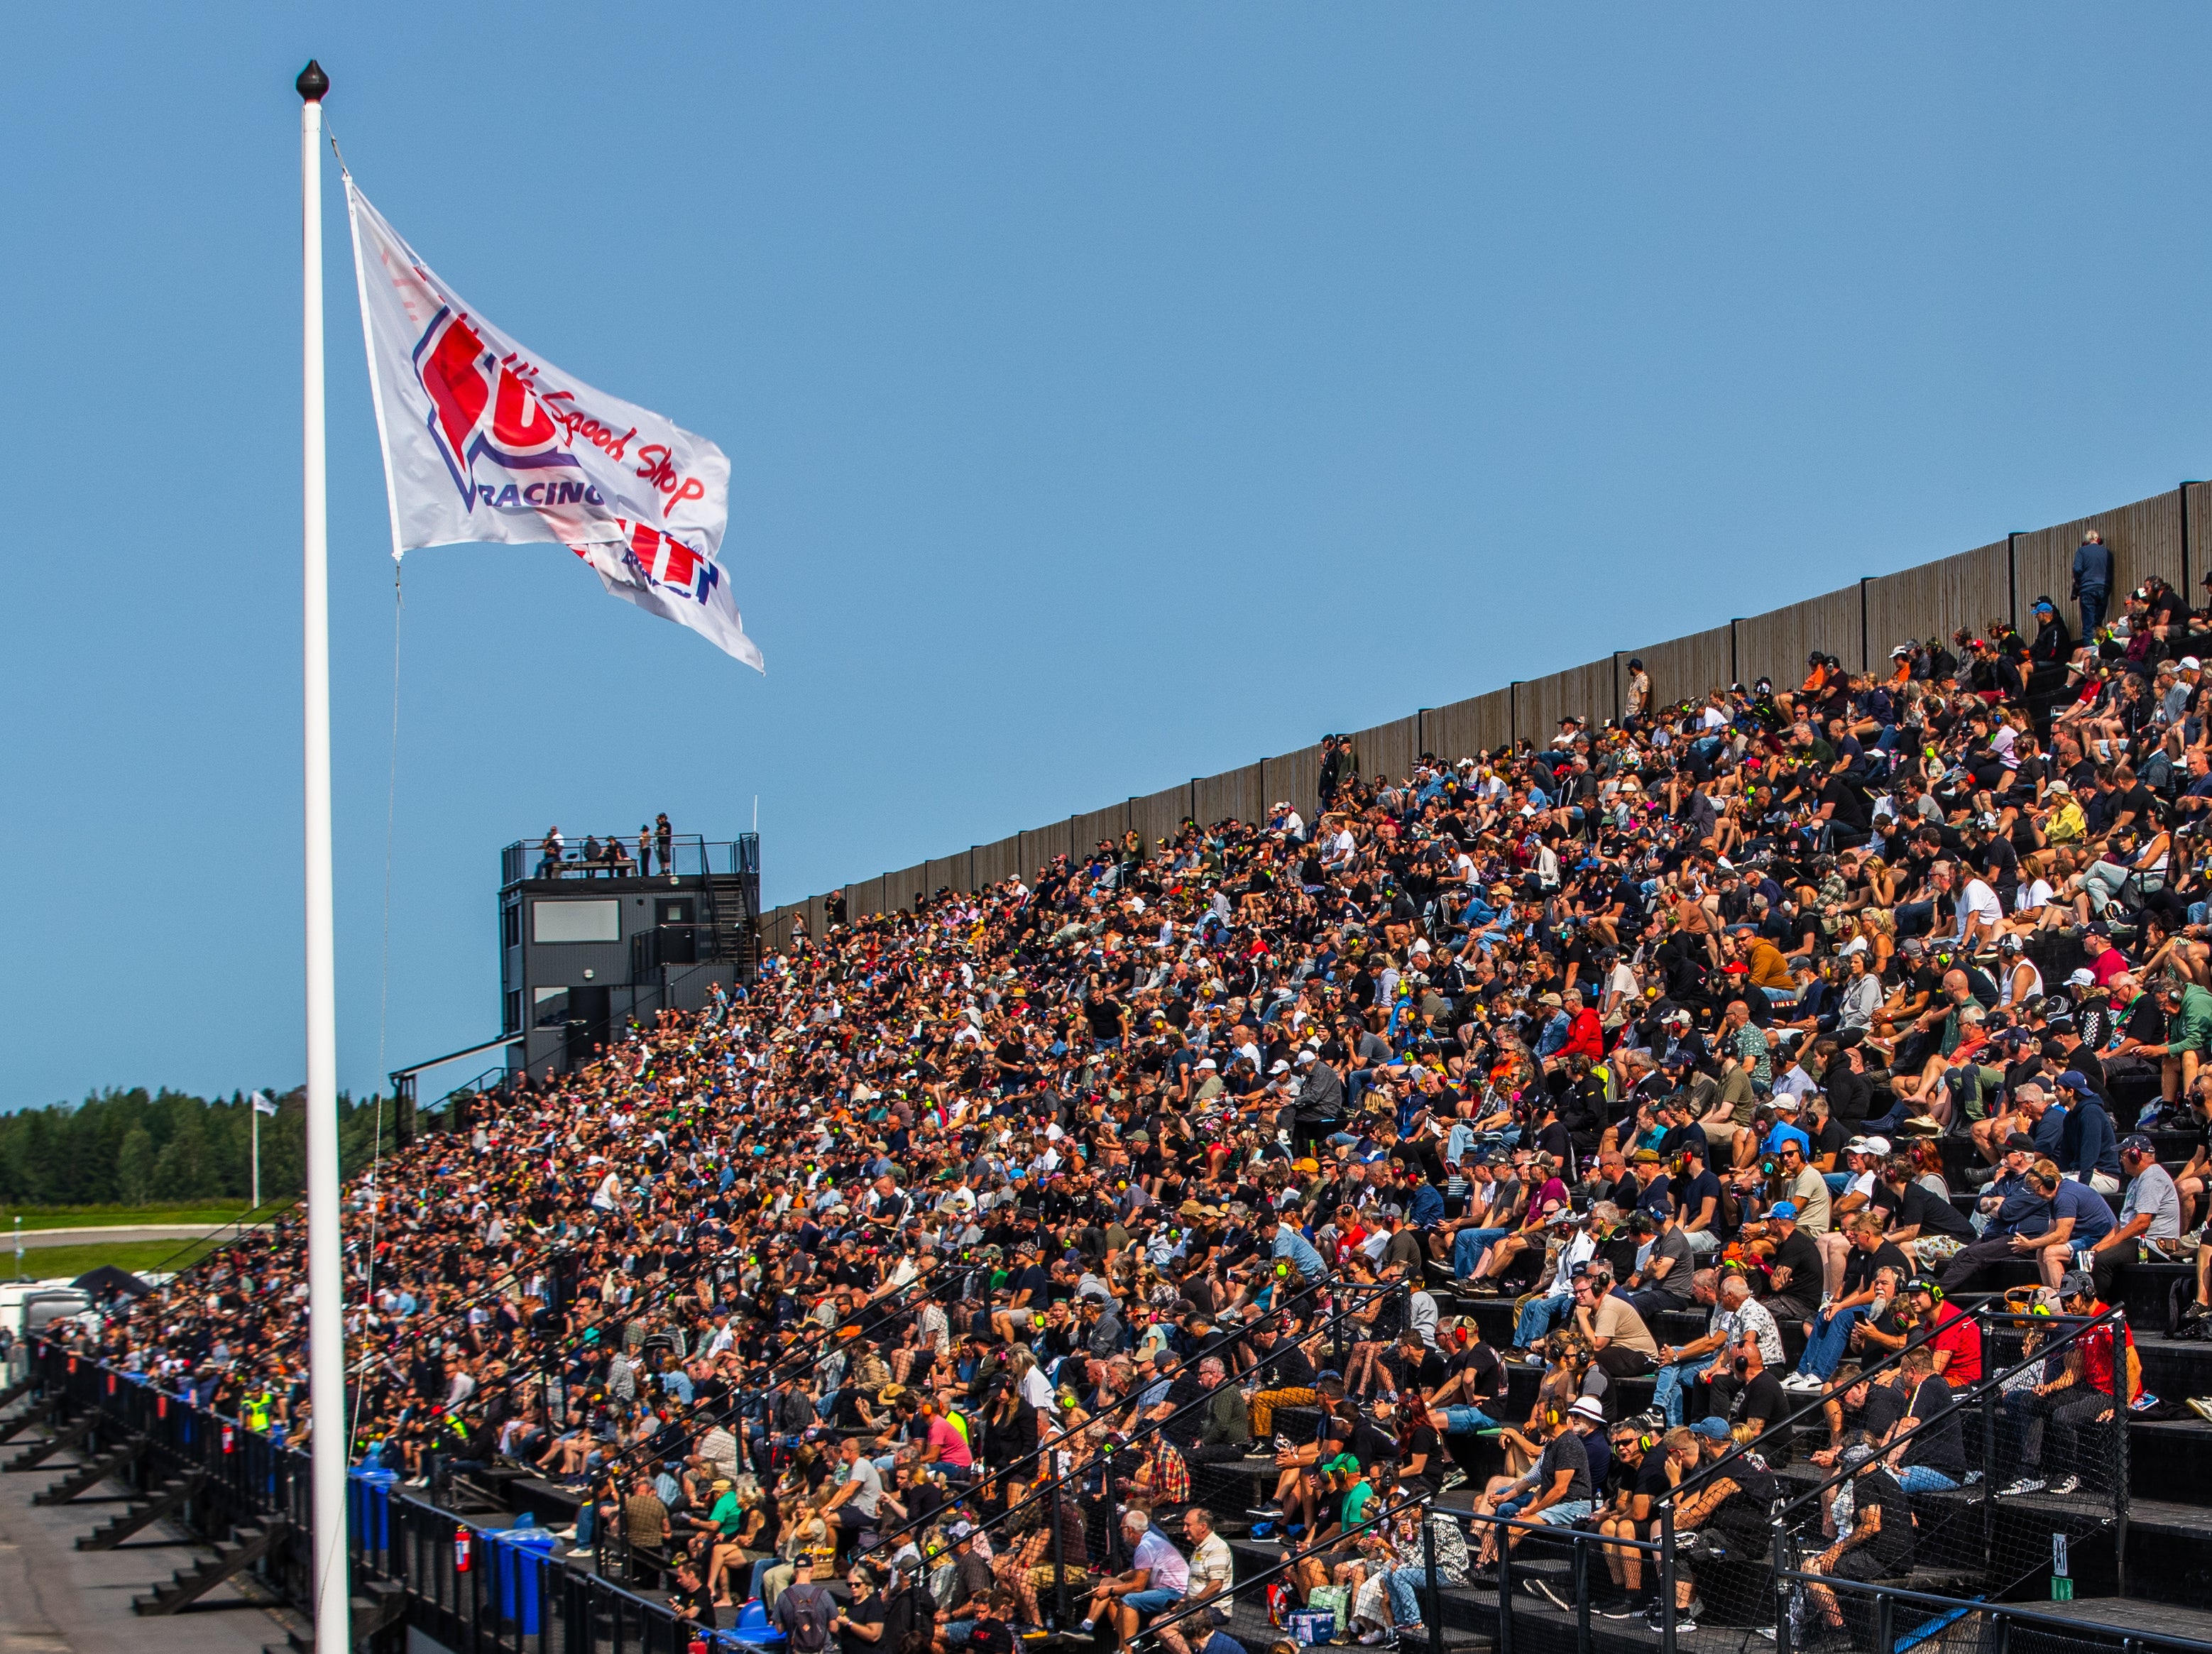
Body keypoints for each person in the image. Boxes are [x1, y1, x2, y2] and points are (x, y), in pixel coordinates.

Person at [1078, 1509, 1188, 1650]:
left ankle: (1128, 1650)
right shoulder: (1148, 1540)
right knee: (1108, 1587)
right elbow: (1141, 1572)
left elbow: (1138, 1586)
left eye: (1122, 1529)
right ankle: (1091, 1628)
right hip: (1161, 1589)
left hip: (1175, 1592)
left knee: (1128, 1599)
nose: (1121, 1532)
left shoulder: (1145, 1546)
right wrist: (1119, 1579)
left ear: (1130, 1530)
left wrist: (1110, 1591)